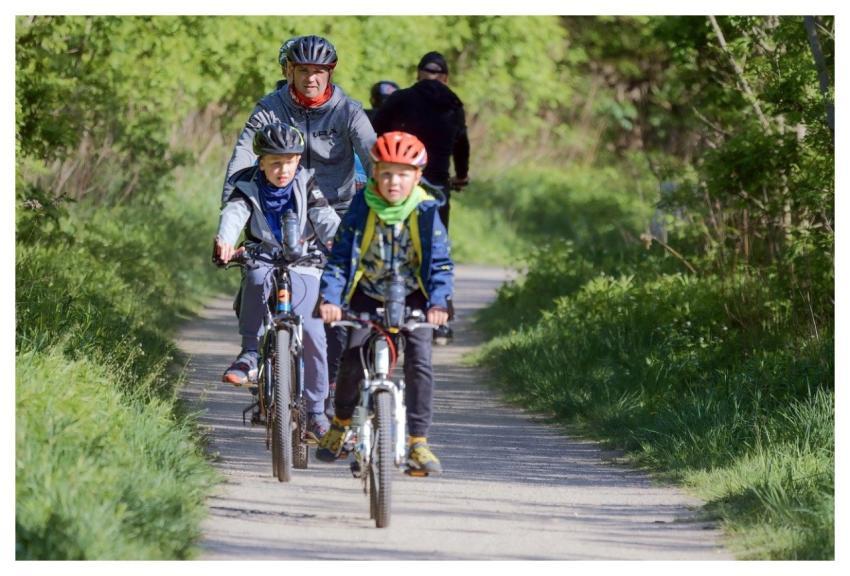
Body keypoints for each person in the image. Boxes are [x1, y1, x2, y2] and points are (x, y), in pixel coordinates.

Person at [224, 34, 377, 417]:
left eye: (319, 72)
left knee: (331, 306)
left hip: (334, 210)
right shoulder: (269, 109)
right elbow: (240, 161)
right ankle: (264, 365)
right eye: (303, 70)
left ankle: (321, 397)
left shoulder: (348, 111)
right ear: (288, 71)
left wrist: (385, 211)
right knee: (256, 280)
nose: (311, 78)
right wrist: (232, 215)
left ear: (330, 73)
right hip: (278, 207)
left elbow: (374, 159)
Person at [316, 131, 454, 477]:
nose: (394, 181)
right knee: (352, 356)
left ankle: (417, 442)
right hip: (368, 292)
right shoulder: (363, 206)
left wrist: (438, 303)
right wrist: (331, 299)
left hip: (413, 295)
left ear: (417, 177)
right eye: (387, 172)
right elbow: (341, 256)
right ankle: (341, 422)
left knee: (420, 361)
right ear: (374, 173)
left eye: (403, 174)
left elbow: (439, 263)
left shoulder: (425, 209)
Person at [214, 122, 340, 440]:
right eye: (274, 162)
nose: (282, 169)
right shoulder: (247, 184)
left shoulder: (307, 185)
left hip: (305, 262)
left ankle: (315, 411)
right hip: (262, 257)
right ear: (261, 162)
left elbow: (326, 220)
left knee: (313, 331)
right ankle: (249, 354)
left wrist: (342, 244)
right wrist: (225, 241)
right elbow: (234, 214)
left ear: (298, 161)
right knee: (255, 278)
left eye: (288, 161)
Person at [372, 51, 469, 232]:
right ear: (446, 78)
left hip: (400, 177)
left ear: (418, 74)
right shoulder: (454, 105)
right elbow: (461, 144)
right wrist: (462, 176)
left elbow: (373, 131)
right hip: (437, 182)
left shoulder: (401, 98)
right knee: (436, 241)